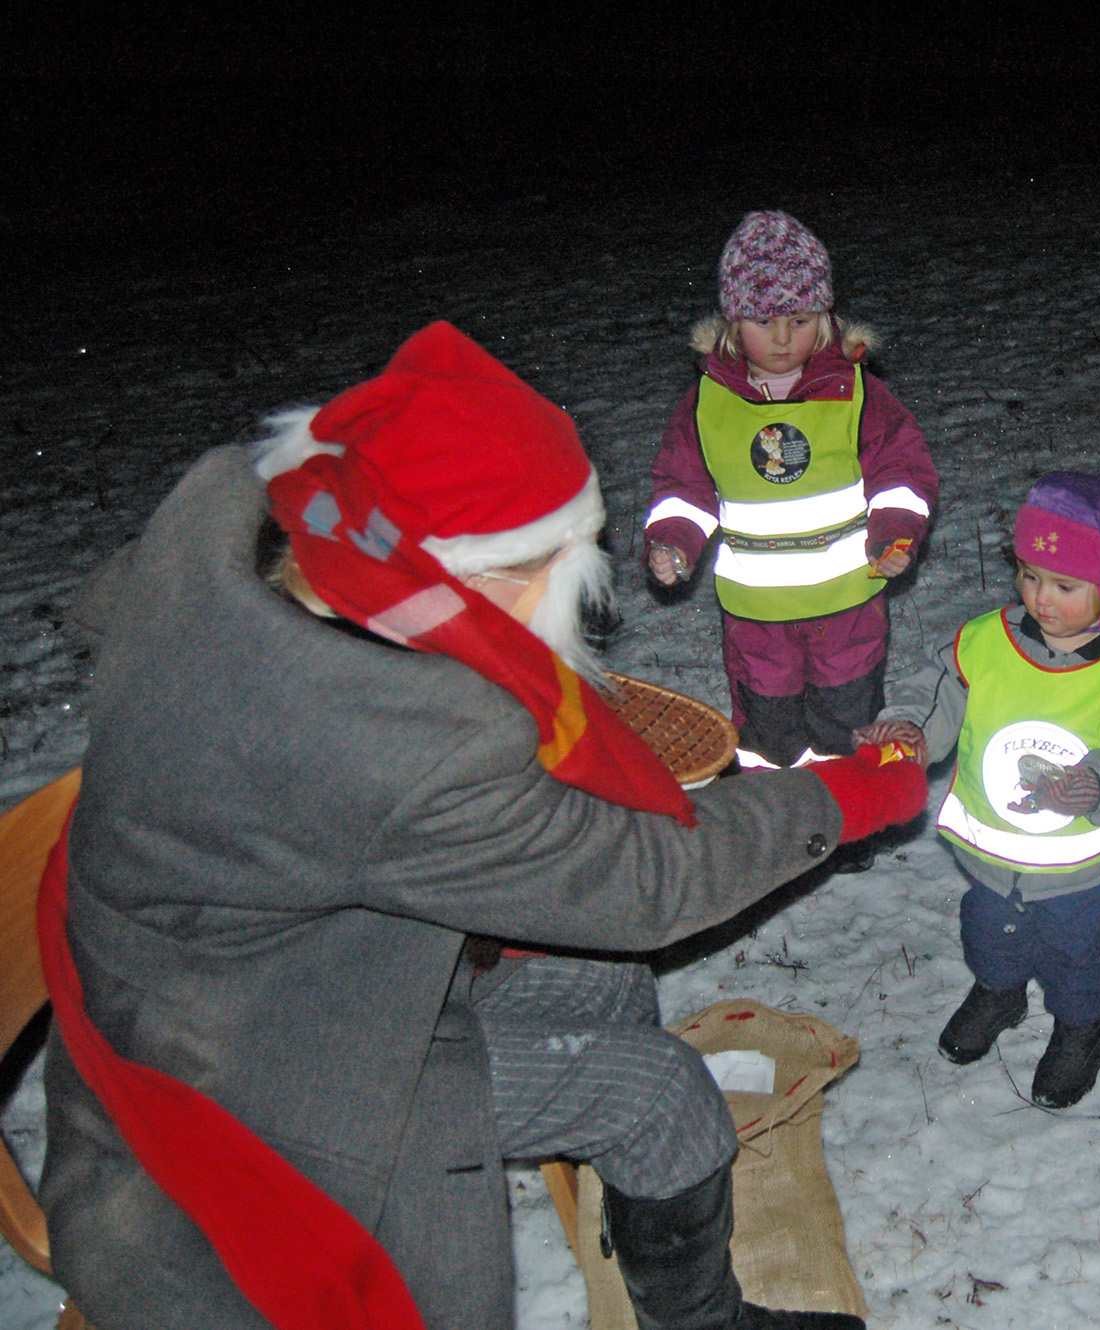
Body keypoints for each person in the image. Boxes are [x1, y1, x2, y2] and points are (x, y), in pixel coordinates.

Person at [36, 322, 927, 1330]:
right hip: (253, 1094)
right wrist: (850, 796)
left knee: (602, 973)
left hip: (247, 978)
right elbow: (651, 881)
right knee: (661, 1090)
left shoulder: (264, 581)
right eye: (561, 558)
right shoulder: (387, 744)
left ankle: (632, 1187)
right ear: (475, 576)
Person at [857, 474, 1100, 1108]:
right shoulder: (983, 644)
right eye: (1028, 576)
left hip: (1086, 869)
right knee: (989, 930)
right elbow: (935, 698)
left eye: (1064, 585)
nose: (1041, 598)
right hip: (991, 856)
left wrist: (1099, 783)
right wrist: (908, 731)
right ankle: (1000, 993)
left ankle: (1081, 1027)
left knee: (1084, 953)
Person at [643, 210, 938, 799]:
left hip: (847, 602)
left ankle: (849, 812)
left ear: (825, 319)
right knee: (767, 734)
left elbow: (900, 469)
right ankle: (774, 817)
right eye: (763, 321)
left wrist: (895, 530)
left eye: (800, 321)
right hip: (758, 615)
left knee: (845, 718)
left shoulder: (855, 392)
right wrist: (674, 540)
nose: (783, 340)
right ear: (732, 322)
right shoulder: (707, 405)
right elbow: (684, 485)